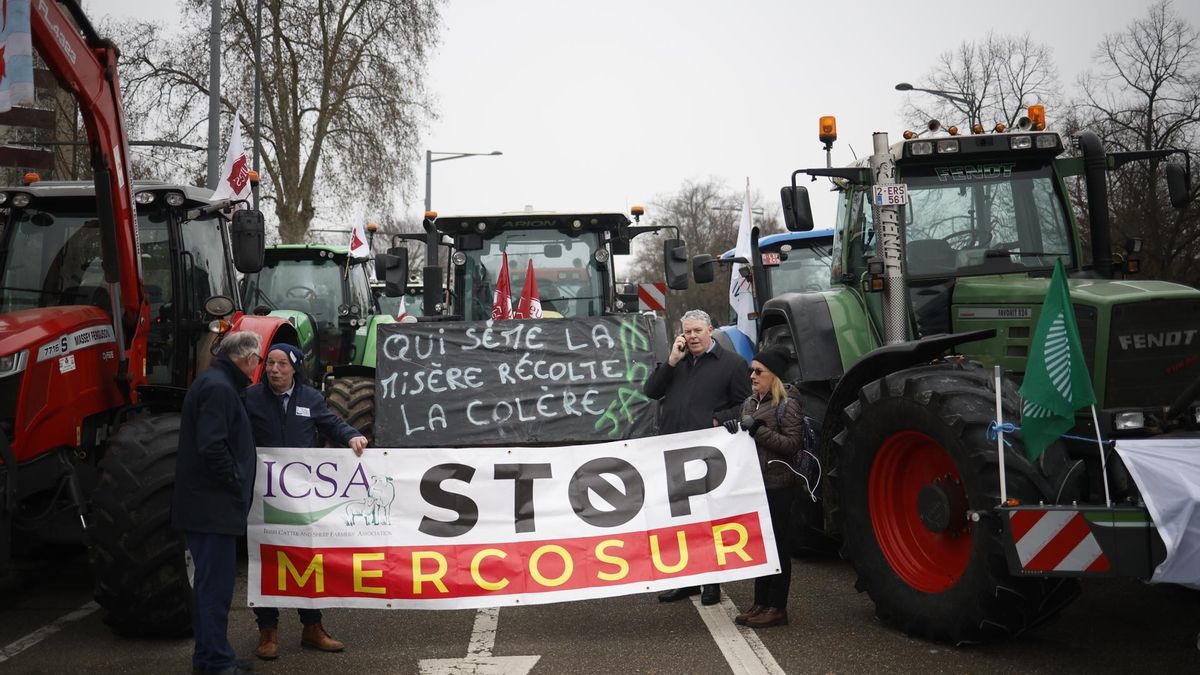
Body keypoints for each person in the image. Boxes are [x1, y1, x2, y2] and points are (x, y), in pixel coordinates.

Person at [244, 343, 368, 660]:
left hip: (301, 497)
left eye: (282, 364)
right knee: (266, 559)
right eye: (270, 363)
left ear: (295, 368)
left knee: (305, 559)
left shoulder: (310, 399)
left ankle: (312, 627)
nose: (274, 369)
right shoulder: (252, 398)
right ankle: (267, 631)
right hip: (263, 494)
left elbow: (331, 424)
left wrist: (351, 435)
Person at [644, 309, 751, 606]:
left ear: (711, 330)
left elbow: (745, 405)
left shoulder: (732, 364)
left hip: (707, 455)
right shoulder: (676, 362)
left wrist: (718, 419)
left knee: (708, 520)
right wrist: (670, 362)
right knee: (680, 519)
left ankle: (711, 583)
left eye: (697, 331)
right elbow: (651, 392)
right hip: (672, 451)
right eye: (687, 332)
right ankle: (686, 580)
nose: (691, 337)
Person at [172, 330, 263, 675]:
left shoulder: (220, 383)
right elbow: (213, 447)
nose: (258, 366)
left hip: (212, 506)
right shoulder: (218, 388)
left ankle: (212, 656)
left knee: (214, 587)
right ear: (246, 358)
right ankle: (215, 664)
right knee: (214, 589)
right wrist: (236, 482)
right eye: (257, 360)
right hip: (212, 507)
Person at [730, 347, 804, 629]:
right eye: (752, 370)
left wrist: (757, 430)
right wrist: (734, 427)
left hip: (778, 485)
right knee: (761, 546)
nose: (752, 376)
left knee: (778, 546)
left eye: (759, 371)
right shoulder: (750, 402)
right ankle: (760, 602)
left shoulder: (787, 402)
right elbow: (743, 435)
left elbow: (792, 445)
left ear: (774, 375)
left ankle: (777, 607)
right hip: (756, 485)